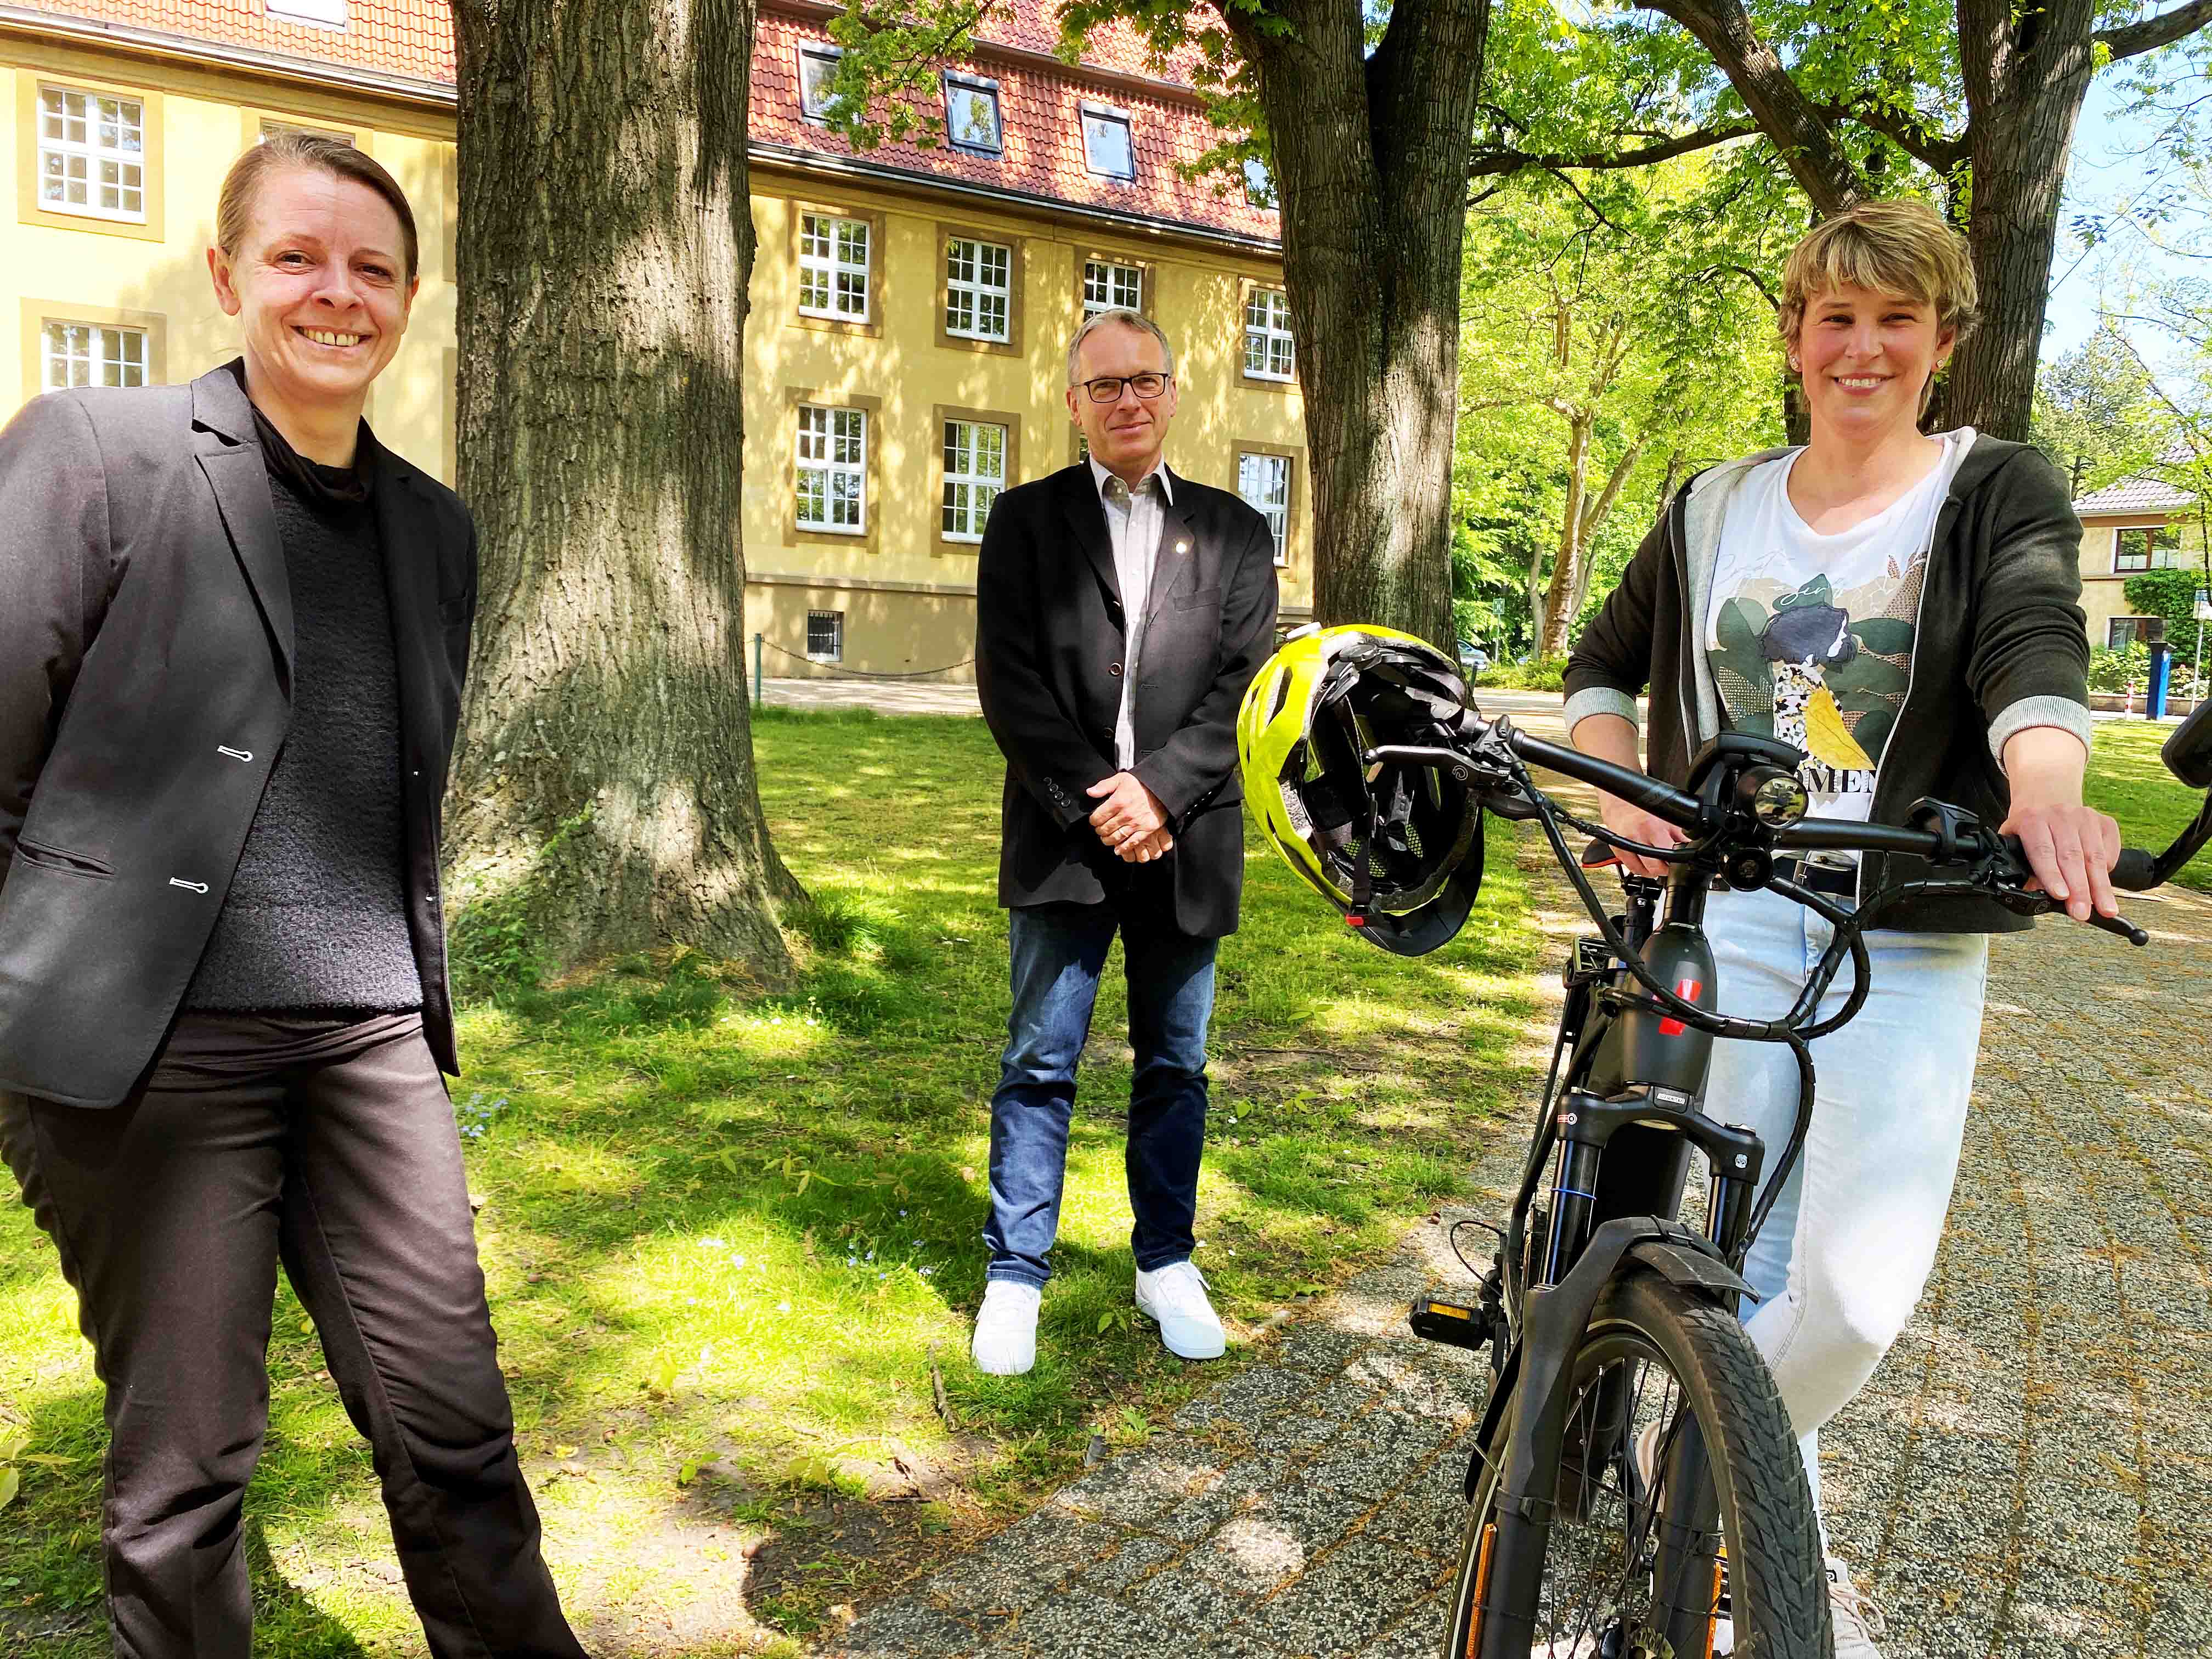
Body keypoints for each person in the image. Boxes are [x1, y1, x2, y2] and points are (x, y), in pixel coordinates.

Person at [0, 135, 585, 1658]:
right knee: (187, 1476)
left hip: (369, 1035)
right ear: (226, 274)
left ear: (408, 298)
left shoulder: (435, 528)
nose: (339, 293)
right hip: (147, 1052)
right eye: (298, 258)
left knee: (456, 1431)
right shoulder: (92, 451)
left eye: (375, 268)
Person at [1564, 199, 2119, 1655]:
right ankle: (1770, 1574)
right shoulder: (1713, 504)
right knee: (1750, 1267)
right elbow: (1605, 660)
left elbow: (2029, 639)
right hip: (1736, 911)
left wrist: (2045, 786)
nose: (1863, 347)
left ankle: (1701, 1471)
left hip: (1905, 930)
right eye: (1836, 317)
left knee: (1857, 1301)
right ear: (1797, 335)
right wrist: (1625, 781)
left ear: (1941, 339)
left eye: (1897, 319)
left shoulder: (1992, 488)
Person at [968, 308, 1280, 1376]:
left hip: (1187, 844)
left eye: (1145, 380)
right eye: (1105, 386)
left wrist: (1160, 795)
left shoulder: (1237, 533)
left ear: (1174, 392)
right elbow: (1008, 681)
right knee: (1039, 1063)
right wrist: (1099, 799)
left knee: (1175, 1065)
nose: (1129, 400)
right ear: (1074, 404)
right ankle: (1016, 1272)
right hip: (1066, 840)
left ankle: (1165, 1262)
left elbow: (1245, 688)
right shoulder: (1023, 521)